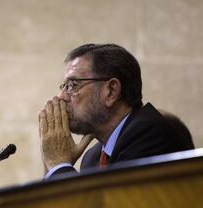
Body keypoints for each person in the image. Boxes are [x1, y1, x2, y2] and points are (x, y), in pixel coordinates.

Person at [38, 43, 194, 179]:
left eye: (73, 85)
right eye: (63, 86)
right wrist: (52, 165)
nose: (62, 97)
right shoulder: (93, 158)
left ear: (111, 91)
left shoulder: (150, 134)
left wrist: (59, 164)